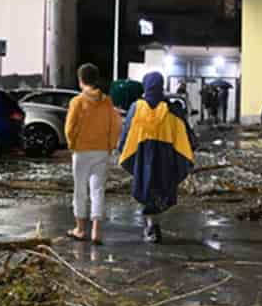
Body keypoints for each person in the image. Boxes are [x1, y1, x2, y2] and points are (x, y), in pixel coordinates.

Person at [119, 71, 194, 243]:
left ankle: (151, 225)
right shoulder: (172, 110)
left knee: (145, 187)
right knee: (161, 189)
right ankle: (153, 224)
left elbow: (126, 132)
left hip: (142, 157)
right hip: (166, 158)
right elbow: (185, 135)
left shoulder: (136, 108)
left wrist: (122, 148)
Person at [64, 64, 121, 244]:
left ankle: (80, 229)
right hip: (102, 151)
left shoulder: (77, 102)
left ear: (81, 81)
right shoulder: (107, 101)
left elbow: (69, 128)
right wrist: (110, 146)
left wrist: (72, 144)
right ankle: (96, 231)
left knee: (80, 190)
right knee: (98, 191)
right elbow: (115, 126)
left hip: (81, 151)